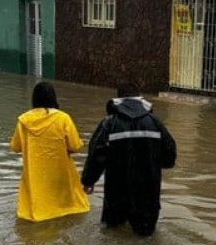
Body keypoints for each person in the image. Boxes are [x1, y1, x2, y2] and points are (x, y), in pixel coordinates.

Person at [81, 82, 177, 236]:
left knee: (112, 239)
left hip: (116, 195)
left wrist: (88, 181)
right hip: (148, 195)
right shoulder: (155, 123)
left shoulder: (109, 123)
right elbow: (170, 156)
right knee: (146, 241)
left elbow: (96, 155)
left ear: (119, 99)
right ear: (140, 99)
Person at [10, 81, 89, 222]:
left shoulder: (24, 120)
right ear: (54, 97)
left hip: (35, 174)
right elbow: (75, 146)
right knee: (70, 209)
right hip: (61, 171)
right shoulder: (63, 118)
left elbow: (15, 147)